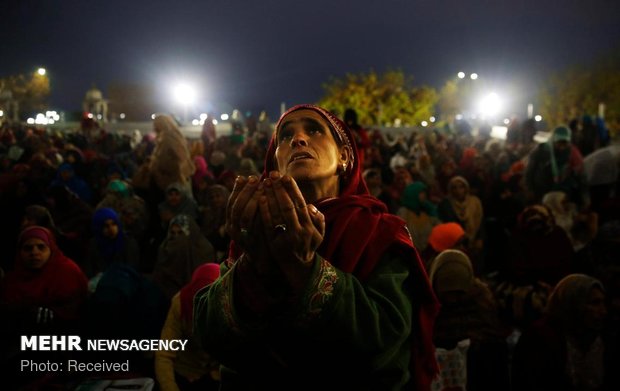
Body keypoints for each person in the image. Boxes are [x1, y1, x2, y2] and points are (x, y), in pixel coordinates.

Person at [193, 104, 439, 390]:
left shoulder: (380, 232)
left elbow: (385, 342)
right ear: (275, 166)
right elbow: (213, 337)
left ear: (344, 157)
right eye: (285, 136)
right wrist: (254, 261)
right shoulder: (256, 230)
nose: (297, 139)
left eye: (313, 129)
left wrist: (303, 267)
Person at [512, 274, 611, 391]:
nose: (603, 311)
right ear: (572, 302)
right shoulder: (540, 338)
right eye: (594, 303)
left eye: (603, 302)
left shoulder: (596, 340)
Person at [155, 263, 221, 391]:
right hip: (186, 372)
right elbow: (164, 353)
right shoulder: (180, 303)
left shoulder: (229, 306)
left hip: (218, 374)